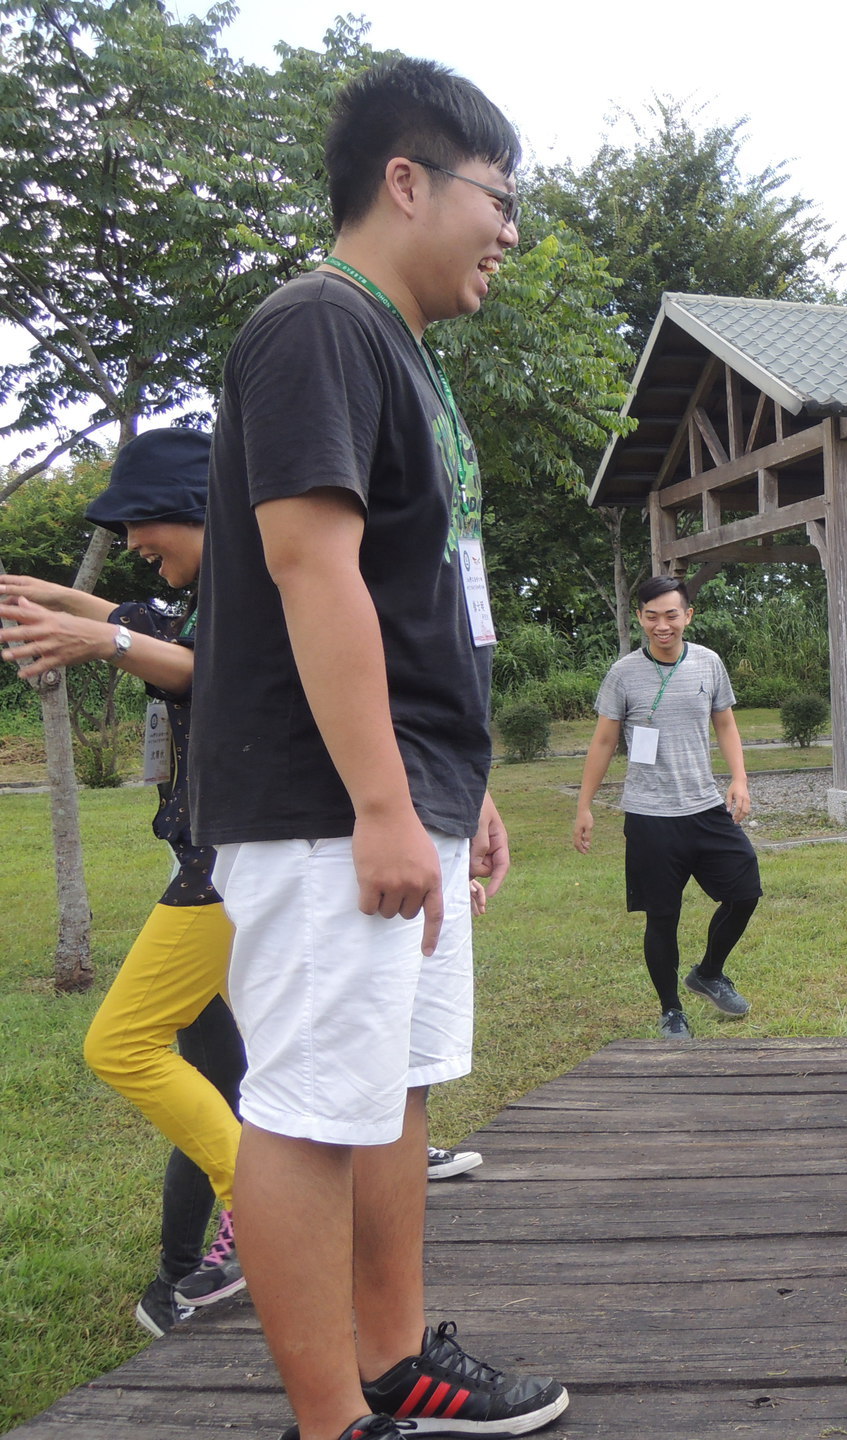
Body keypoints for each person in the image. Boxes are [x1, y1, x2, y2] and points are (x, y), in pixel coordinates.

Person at [188, 59, 566, 1440]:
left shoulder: (397, 349)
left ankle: (396, 1360)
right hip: (319, 807)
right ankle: (330, 1421)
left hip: (398, 795)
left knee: (391, 1084)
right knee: (304, 1107)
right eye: (500, 198)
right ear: (406, 181)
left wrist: (449, 794)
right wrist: (378, 802)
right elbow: (310, 566)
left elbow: (420, 597)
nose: (511, 233)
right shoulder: (316, 327)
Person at [1, 428, 246, 1338]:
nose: (138, 541)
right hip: (222, 860)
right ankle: (199, 1260)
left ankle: (254, 1201)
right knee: (226, 1066)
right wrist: (48, 598)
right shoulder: (213, 590)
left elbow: (219, 677)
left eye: (146, 524)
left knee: (121, 1044)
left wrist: (96, 636)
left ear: (198, 511)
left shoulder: (253, 588)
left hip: (227, 866)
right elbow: (155, 628)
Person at [574, 574, 759, 1039]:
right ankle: (672, 1009)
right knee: (663, 916)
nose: (662, 625)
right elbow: (603, 740)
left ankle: (709, 972)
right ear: (640, 617)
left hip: (703, 806)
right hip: (650, 816)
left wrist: (738, 778)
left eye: (671, 615)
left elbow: (726, 724)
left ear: (688, 616)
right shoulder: (623, 673)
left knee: (745, 890)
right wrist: (584, 806)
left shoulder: (708, 663)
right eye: (652, 616)